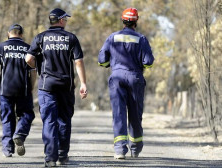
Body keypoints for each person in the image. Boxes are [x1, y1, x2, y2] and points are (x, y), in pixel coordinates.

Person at [25, 8, 87, 167]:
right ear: (60, 20)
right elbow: (78, 62)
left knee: (49, 122)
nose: (66, 21)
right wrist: (83, 83)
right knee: (64, 121)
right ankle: (62, 155)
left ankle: (50, 158)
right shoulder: (71, 38)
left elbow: (28, 59)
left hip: (47, 86)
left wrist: (38, 68)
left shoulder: (41, 38)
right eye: (65, 19)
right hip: (66, 86)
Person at [98, 8, 154, 159]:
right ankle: (135, 150)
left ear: (123, 21)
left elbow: (102, 61)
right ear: (136, 21)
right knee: (135, 114)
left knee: (118, 113)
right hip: (135, 78)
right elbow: (148, 62)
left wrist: (114, 65)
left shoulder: (112, 37)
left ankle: (119, 150)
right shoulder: (141, 39)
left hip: (116, 79)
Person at [0, 24, 36, 157]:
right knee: (27, 114)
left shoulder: (1, 47)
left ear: (8, 33)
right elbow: (33, 71)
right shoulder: (28, 48)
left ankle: (7, 149)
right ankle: (20, 133)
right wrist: (31, 87)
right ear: (21, 34)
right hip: (23, 89)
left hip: (5, 89)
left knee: (7, 118)